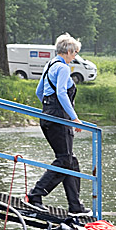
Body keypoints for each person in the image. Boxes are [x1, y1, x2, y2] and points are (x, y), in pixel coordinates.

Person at [27, 33, 89, 214]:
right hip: (59, 119)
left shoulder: (50, 65)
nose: (75, 56)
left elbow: (39, 92)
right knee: (64, 160)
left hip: (48, 116)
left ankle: (75, 205)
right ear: (68, 51)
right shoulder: (63, 68)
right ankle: (36, 194)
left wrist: (49, 109)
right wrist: (74, 118)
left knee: (70, 160)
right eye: (75, 52)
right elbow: (61, 93)